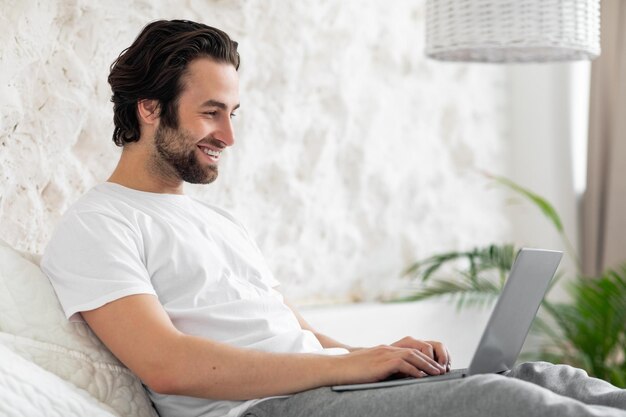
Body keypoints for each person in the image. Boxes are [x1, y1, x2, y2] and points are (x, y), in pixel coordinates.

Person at [42, 19, 626, 417]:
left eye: (233, 112)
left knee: (551, 379)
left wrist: (377, 358)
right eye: (211, 113)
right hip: (266, 410)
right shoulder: (99, 224)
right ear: (149, 109)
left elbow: (300, 335)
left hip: (325, 387)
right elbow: (167, 365)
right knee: (507, 402)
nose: (229, 135)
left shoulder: (219, 224)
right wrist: (350, 366)